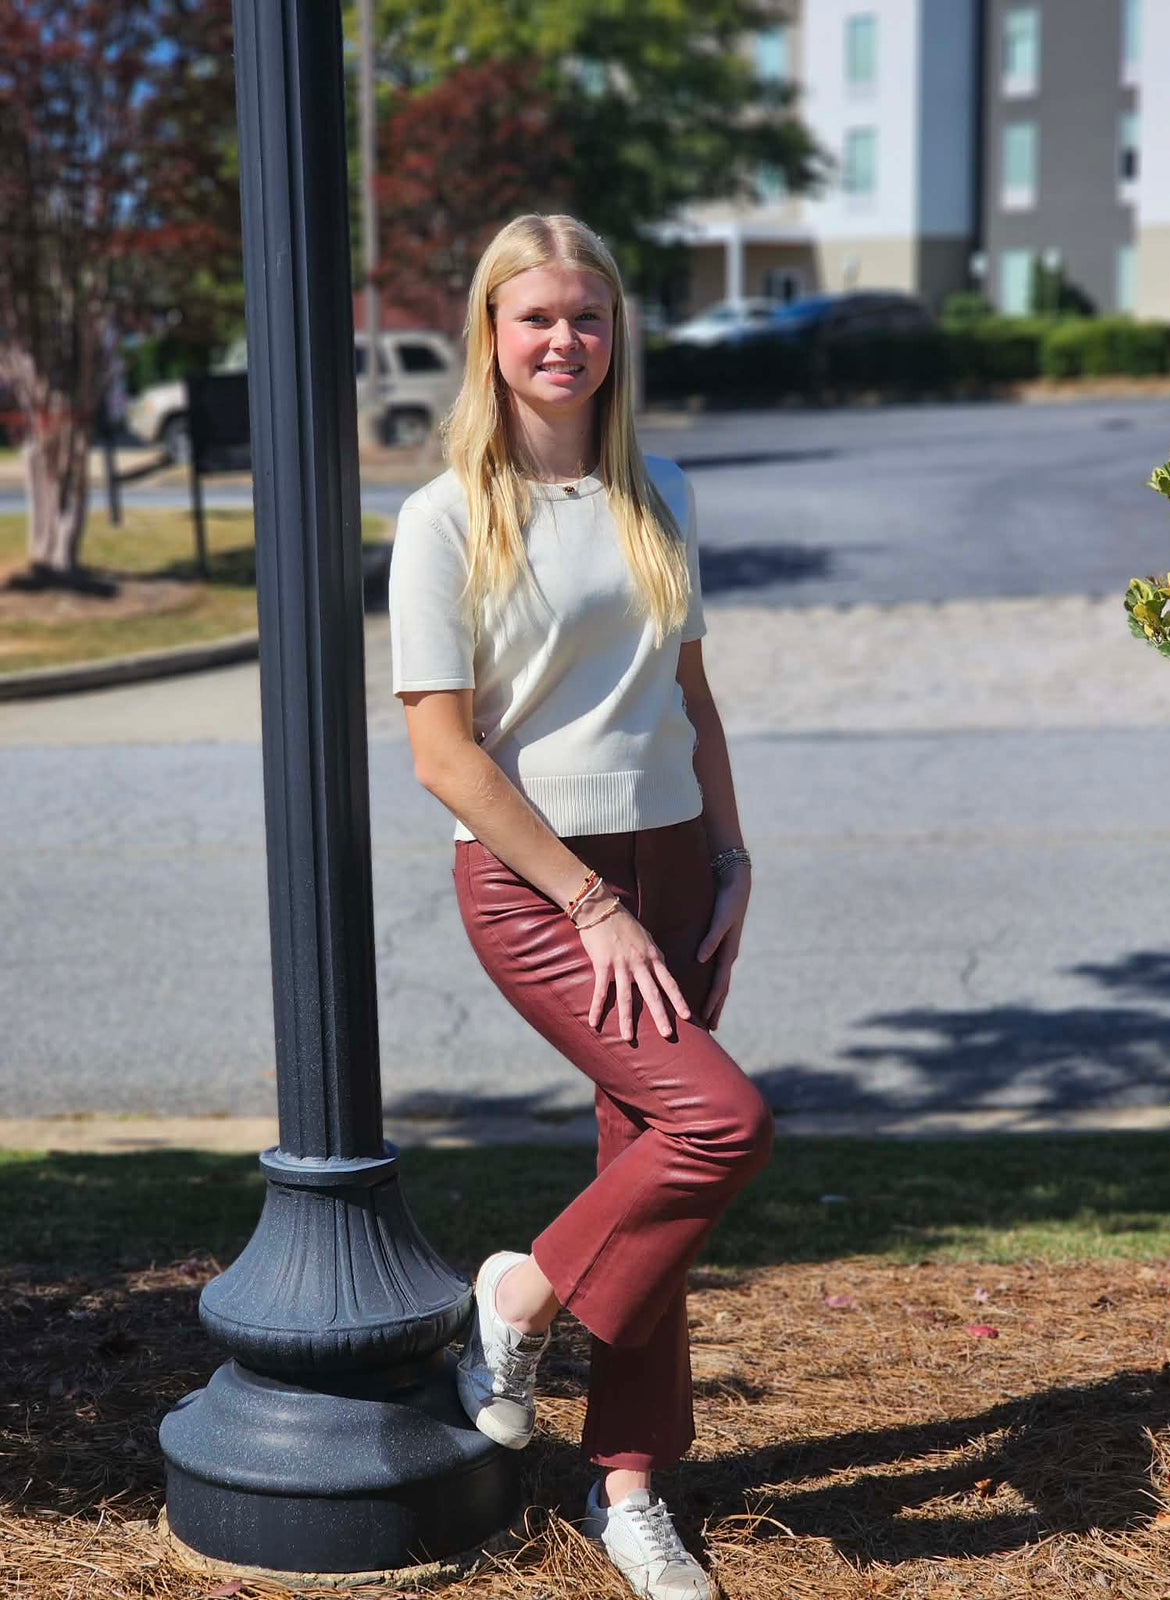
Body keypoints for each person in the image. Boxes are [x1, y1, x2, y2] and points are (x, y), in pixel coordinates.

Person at [388, 212, 773, 1600]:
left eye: (589, 317)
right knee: (720, 1122)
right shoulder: (441, 517)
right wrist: (592, 901)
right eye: (537, 317)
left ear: (619, 336)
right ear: (492, 334)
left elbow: (693, 695)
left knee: (648, 1164)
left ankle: (629, 1494)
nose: (566, 341)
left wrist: (732, 857)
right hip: (541, 877)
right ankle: (517, 1299)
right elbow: (444, 753)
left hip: (675, 860)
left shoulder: (658, 486)